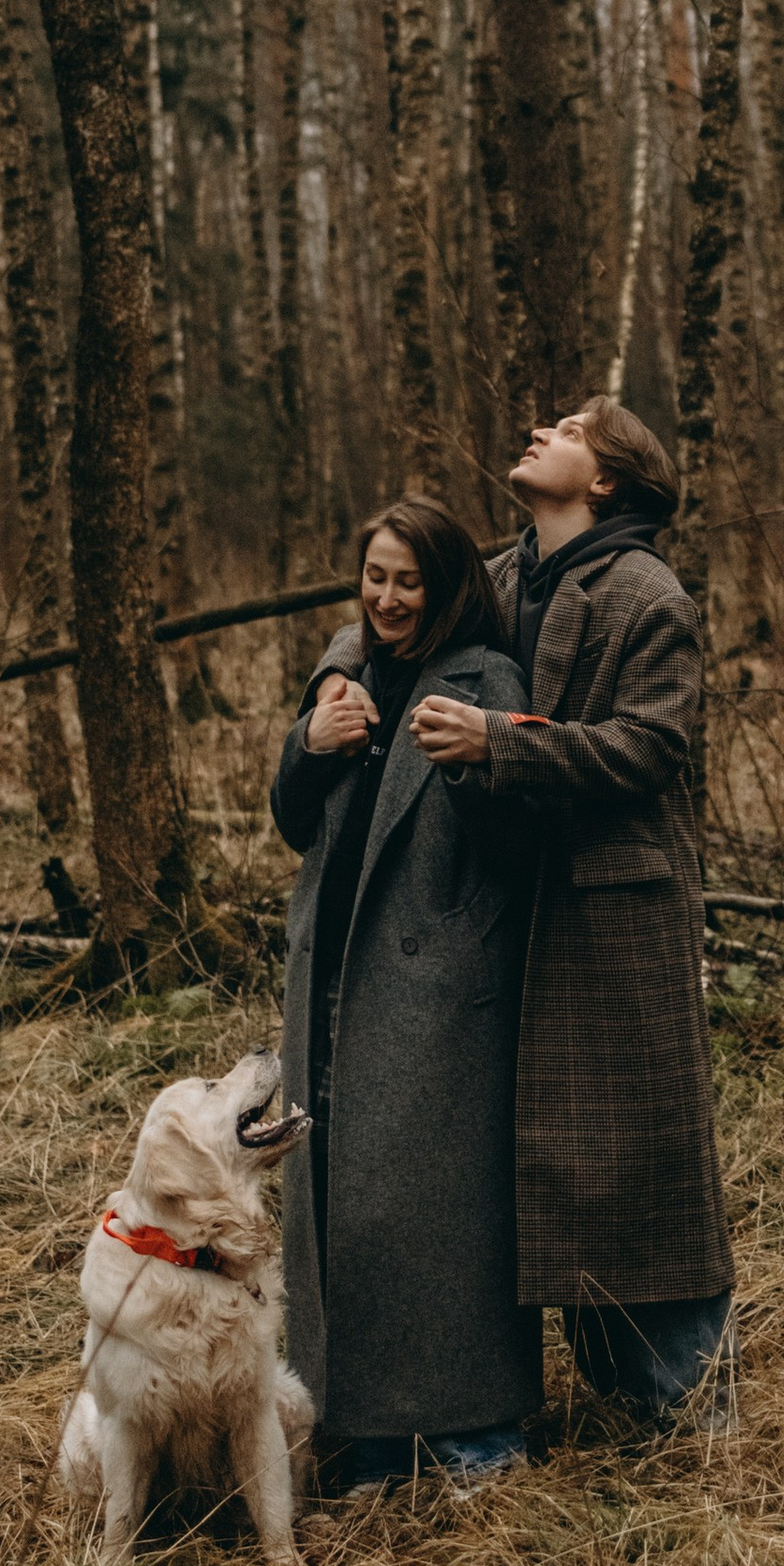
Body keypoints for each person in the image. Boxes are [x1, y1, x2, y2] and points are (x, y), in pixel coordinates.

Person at [408, 397, 735, 1424]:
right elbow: (386, 621)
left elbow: (650, 746)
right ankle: (537, 1394)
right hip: (500, 906)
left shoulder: (648, 594)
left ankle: (681, 1405)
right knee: (523, 1153)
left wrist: (500, 742)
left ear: (604, 480)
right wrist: (333, 697)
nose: (540, 430)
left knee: (635, 1155)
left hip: (612, 911)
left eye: (571, 428)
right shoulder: (497, 580)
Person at [273, 496, 536, 1489]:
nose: (386, 598)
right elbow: (292, 821)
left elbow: (521, 845)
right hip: (331, 974)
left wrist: (478, 759)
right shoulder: (345, 670)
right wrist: (311, 743)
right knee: (342, 1205)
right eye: (374, 577)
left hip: (437, 992)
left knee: (437, 1214)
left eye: (408, 581)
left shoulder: (486, 677)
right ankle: (366, 1429)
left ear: (447, 585)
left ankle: (476, 1427)